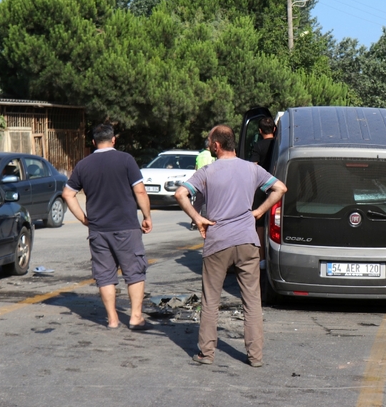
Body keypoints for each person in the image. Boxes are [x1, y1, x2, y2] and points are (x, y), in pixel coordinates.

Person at [174, 124, 287, 368]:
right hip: (247, 241)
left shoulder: (206, 172)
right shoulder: (252, 169)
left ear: (216, 145)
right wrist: (258, 212)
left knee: (211, 300)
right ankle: (255, 356)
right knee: (252, 301)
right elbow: (280, 188)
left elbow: (181, 194)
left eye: (208, 141)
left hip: (218, 242)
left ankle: (206, 353)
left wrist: (197, 218)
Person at [62, 124, 153, 330]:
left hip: (98, 230)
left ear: (93, 142)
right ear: (113, 140)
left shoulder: (83, 165)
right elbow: (140, 192)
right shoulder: (126, 160)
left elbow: (68, 194)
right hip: (127, 227)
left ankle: (112, 319)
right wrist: (147, 216)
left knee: (104, 275)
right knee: (135, 272)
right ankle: (135, 317)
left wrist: (84, 219)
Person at [250, 116, 276, 259]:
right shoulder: (278, 144)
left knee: (259, 223)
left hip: (261, 188)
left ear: (260, 131)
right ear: (274, 129)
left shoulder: (258, 146)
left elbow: (253, 166)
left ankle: (262, 257)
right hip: (277, 185)